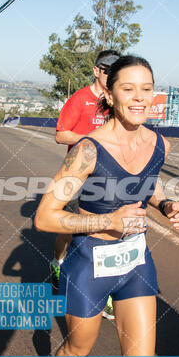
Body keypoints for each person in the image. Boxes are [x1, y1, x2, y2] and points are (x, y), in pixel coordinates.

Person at [35, 55, 179, 357]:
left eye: (147, 89)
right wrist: (108, 221)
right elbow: (44, 217)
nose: (140, 98)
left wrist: (167, 204)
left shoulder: (160, 144)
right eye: (128, 88)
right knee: (77, 349)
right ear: (110, 94)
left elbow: (147, 184)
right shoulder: (88, 150)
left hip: (136, 265)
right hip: (89, 265)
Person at [51, 49, 121, 319]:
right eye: (106, 70)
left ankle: (102, 293)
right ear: (96, 70)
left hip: (109, 177)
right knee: (71, 230)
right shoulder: (80, 99)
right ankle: (58, 262)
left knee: (105, 233)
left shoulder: (117, 101)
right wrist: (92, 139)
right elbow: (60, 135)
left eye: (114, 71)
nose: (109, 75)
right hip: (78, 174)